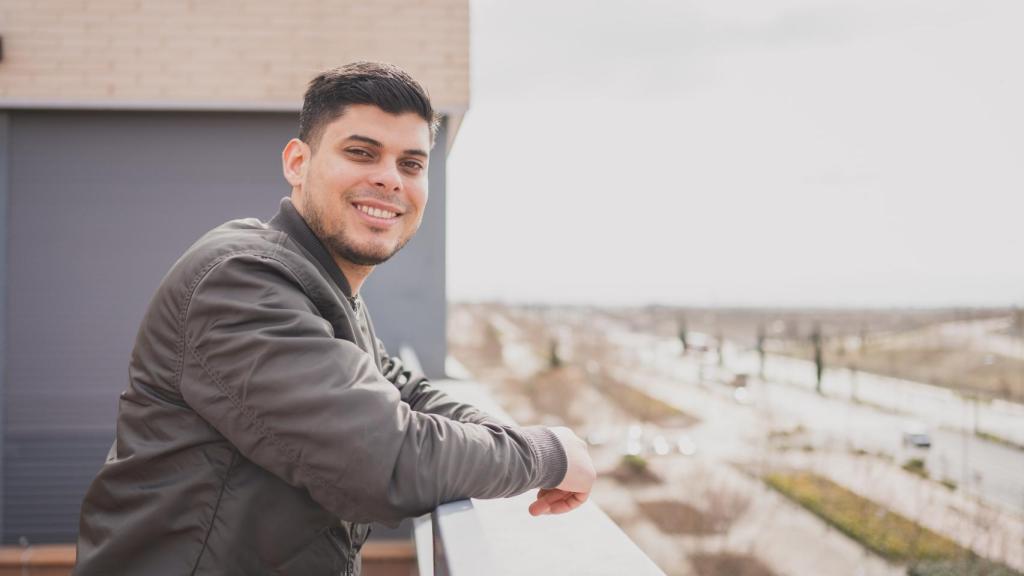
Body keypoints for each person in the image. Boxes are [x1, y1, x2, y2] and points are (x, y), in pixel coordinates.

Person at [73, 61, 595, 576]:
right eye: (361, 152)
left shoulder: (323, 284)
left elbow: (405, 391)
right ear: (298, 163)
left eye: (411, 164)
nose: (390, 179)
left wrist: (496, 433)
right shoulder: (240, 281)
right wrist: (548, 453)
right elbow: (383, 459)